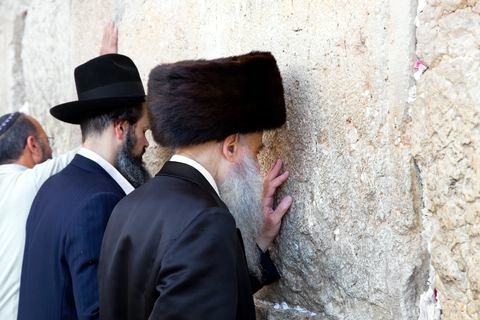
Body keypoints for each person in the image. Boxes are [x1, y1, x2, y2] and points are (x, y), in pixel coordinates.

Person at [98, 51, 293, 320]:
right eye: (257, 151)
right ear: (231, 146)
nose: (258, 167)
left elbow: (197, 296)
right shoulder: (208, 220)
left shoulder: (128, 204)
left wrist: (259, 240)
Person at [17, 51, 151, 320]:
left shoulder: (52, 187)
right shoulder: (100, 202)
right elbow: (99, 313)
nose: (147, 143)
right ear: (121, 129)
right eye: (144, 131)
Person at [0, 112, 75, 320]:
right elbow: (93, 153)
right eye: (47, 141)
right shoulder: (30, 182)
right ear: (32, 145)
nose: (51, 148)